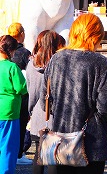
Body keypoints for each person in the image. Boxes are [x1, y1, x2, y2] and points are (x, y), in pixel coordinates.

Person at [41, 13, 107, 174]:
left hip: (59, 140)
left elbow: (45, 102)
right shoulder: (101, 64)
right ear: (96, 36)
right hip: (90, 143)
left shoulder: (55, 59)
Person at [26, 30, 65, 174]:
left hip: (38, 114)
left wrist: (30, 110)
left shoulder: (32, 64)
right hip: (55, 114)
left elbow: (33, 92)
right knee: (54, 155)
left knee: (39, 153)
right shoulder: (59, 62)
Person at [0, 35, 28, 174]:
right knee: (8, 147)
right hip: (9, 111)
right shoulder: (12, 67)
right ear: (11, 51)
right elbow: (21, 88)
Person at [7, 22, 32, 166]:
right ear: (21, 34)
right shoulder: (24, 52)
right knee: (21, 123)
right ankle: (19, 153)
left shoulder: (4, 52)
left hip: (5, 95)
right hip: (21, 94)